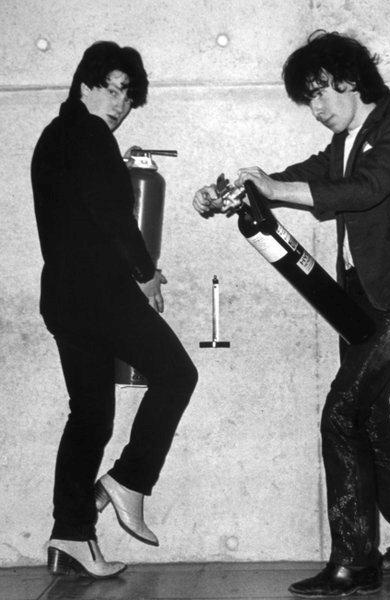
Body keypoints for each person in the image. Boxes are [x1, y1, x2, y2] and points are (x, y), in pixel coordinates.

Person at [193, 31, 390, 597]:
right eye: (309, 98)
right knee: (369, 419)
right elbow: (301, 175)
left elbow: (364, 189)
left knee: (340, 417)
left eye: (321, 92)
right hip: (355, 302)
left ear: (350, 79)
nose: (316, 107)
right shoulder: (345, 142)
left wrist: (274, 187)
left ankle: (355, 562)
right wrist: (235, 190)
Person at [32, 41, 198, 579]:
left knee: (89, 417)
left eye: (128, 96)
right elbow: (113, 215)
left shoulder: (53, 137)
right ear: (84, 86)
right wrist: (146, 275)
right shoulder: (90, 135)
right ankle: (128, 480)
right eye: (112, 89)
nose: (120, 104)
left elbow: (81, 219)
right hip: (100, 296)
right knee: (177, 374)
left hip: (65, 298)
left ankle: (70, 536)